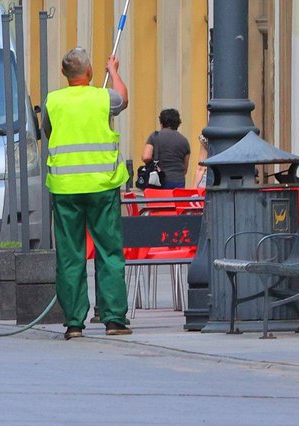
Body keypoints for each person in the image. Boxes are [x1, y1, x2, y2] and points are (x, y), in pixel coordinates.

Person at [43, 47, 132, 340]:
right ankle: (114, 320)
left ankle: (73, 323)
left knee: (70, 255)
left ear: (64, 75)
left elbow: (48, 132)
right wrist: (114, 70)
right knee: (108, 251)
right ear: (90, 73)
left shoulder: (53, 101)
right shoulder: (103, 98)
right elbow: (124, 97)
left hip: (66, 188)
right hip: (102, 187)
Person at [142, 108, 190, 189]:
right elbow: (185, 168)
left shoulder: (155, 136)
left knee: (160, 202)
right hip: (179, 181)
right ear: (178, 123)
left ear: (161, 122)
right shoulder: (184, 141)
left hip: (159, 180)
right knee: (176, 201)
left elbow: (146, 157)